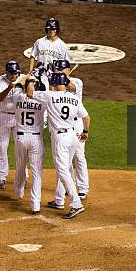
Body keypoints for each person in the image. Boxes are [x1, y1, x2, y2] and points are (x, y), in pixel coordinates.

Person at [26, 71, 90, 220]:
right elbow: (86, 118)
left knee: (63, 171)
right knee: (66, 168)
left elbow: (30, 94)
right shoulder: (74, 98)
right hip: (73, 136)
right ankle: (59, 199)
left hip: (61, 139)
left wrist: (31, 79)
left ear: (54, 84)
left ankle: (76, 203)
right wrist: (85, 132)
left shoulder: (50, 95)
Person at [52, 59, 89, 201]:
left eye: (61, 69)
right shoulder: (55, 82)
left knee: (79, 156)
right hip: (62, 124)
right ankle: (69, 187)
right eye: (57, 69)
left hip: (77, 124)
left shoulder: (77, 81)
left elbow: (72, 87)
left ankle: (83, 188)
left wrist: (63, 79)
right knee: (64, 159)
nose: (59, 71)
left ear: (68, 69)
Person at [12, 74, 46, 214]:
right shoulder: (42, 101)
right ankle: (35, 205)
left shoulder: (18, 97)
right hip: (36, 139)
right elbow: (44, 90)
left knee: (20, 166)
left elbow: (18, 85)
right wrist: (39, 79)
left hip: (20, 138)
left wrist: (28, 76)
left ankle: (19, 193)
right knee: (36, 171)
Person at [0, 60, 23, 190]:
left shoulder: (23, 79)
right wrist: (9, 87)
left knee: (21, 147)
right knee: (2, 146)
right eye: (12, 74)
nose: (15, 76)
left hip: (18, 117)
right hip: (3, 116)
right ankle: (1, 177)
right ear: (7, 73)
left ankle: (22, 176)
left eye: (16, 73)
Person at [29, 18, 68, 91]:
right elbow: (32, 56)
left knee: (54, 95)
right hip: (40, 73)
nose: (51, 31)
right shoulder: (39, 42)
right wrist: (30, 71)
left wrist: (65, 77)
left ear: (57, 30)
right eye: (49, 29)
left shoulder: (62, 45)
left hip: (55, 74)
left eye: (53, 29)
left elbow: (65, 64)